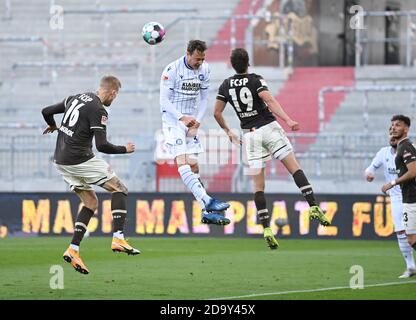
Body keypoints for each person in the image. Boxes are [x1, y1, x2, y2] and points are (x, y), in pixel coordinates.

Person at [213, 48, 330, 250]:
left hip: (249, 134)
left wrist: (228, 132)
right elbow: (269, 100)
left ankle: (266, 228)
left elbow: (217, 113)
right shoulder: (256, 79)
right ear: (248, 62)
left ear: (232, 65)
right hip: (268, 128)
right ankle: (313, 206)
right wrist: (288, 119)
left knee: (258, 186)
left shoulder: (225, 85)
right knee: (294, 167)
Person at [41, 75, 140, 275]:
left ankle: (73, 249)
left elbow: (46, 111)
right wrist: (125, 149)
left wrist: (53, 124)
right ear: (113, 92)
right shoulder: (98, 109)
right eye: (115, 96)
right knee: (119, 189)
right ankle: (118, 237)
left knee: (91, 203)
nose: (114, 99)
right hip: (79, 159)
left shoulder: (75, 97)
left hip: (61, 160)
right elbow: (102, 145)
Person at [160, 39, 230, 225]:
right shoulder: (171, 70)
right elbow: (164, 101)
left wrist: (197, 120)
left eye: (202, 58)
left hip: (191, 123)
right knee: (182, 162)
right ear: (188, 54)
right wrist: (181, 117)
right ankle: (207, 201)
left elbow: (205, 98)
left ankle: (205, 212)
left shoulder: (205, 70)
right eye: (197, 59)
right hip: (173, 122)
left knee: (194, 166)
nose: (200, 62)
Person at [365, 132, 416, 278]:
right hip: (395, 197)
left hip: (410, 194)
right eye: (390, 133)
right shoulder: (383, 153)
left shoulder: (409, 150)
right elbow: (370, 168)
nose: (392, 136)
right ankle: (411, 266)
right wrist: (369, 174)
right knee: (401, 232)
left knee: (411, 235)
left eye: (395, 132)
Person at [382, 115, 416, 264]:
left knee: (411, 238)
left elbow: (413, 171)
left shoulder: (406, 146)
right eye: (393, 125)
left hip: (412, 198)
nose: (394, 127)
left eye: (398, 125)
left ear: (406, 129)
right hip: (409, 196)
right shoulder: (402, 146)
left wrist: (392, 183)